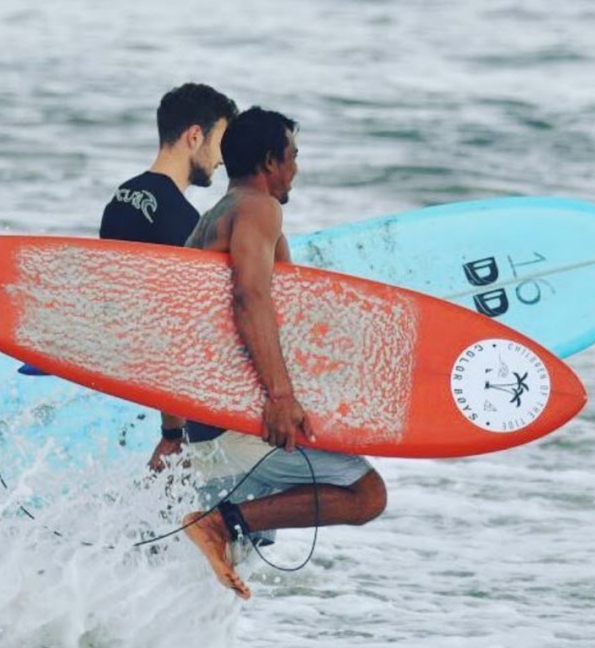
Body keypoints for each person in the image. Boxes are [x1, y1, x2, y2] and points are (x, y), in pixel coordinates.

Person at [180, 107, 388, 600]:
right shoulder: (257, 208)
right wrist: (280, 395)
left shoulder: (216, 217)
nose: (296, 168)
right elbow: (250, 296)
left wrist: (173, 432)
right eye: (293, 156)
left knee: (212, 586)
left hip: (208, 420)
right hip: (240, 420)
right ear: (270, 162)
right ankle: (217, 522)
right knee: (366, 495)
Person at [100, 83, 238, 468]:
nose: (223, 160)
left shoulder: (121, 197)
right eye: (221, 143)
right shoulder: (182, 220)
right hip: (168, 402)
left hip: (124, 377)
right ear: (195, 136)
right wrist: (173, 433)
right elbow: (176, 327)